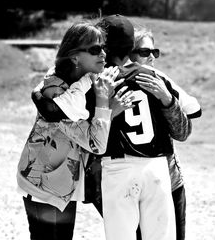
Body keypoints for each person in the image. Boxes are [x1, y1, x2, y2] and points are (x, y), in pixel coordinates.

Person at [32, 14, 197, 240]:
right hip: (157, 167)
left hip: (118, 168)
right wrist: (167, 98)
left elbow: (55, 111)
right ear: (130, 48)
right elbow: (194, 109)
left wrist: (37, 94)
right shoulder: (155, 76)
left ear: (105, 47)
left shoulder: (93, 80)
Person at [16, 22, 131, 240]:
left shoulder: (84, 80)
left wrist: (107, 108)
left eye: (103, 47)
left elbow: (86, 133)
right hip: (45, 183)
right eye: (95, 49)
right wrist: (104, 104)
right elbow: (95, 143)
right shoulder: (57, 91)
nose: (104, 54)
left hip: (60, 180)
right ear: (75, 57)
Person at [129, 27, 202, 240]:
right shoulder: (109, 84)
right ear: (128, 53)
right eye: (144, 52)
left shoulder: (161, 82)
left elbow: (183, 131)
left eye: (155, 52)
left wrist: (167, 99)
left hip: (169, 181)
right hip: (131, 184)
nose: (151, 56)